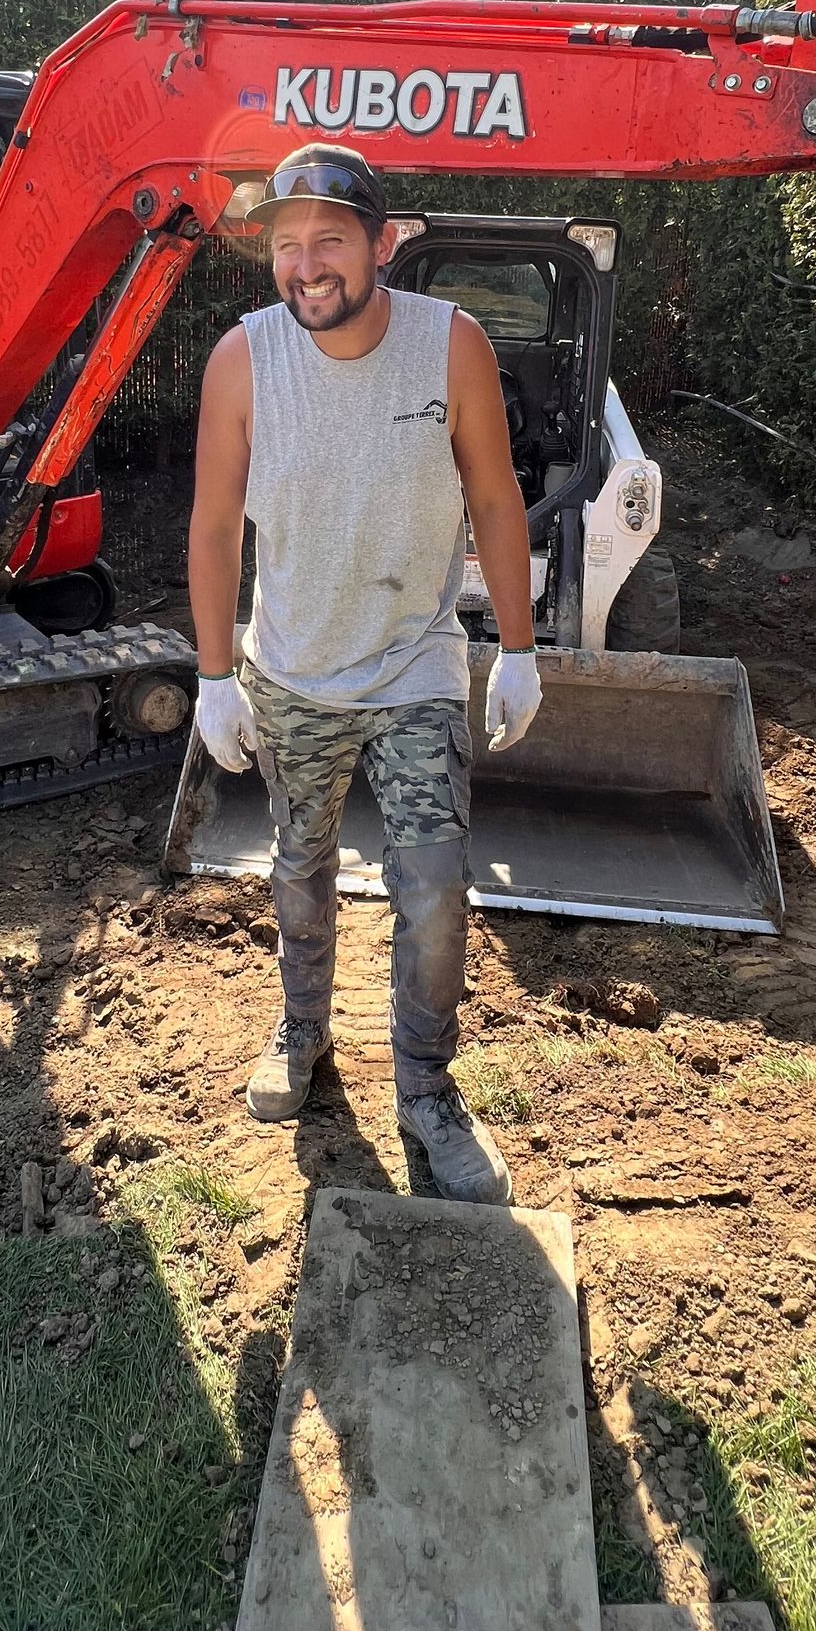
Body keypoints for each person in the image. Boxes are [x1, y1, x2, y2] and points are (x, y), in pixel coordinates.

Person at [187, 143, 543, 1204]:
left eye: (330, 240)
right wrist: (214, 674)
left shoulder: (451, 346)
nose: (306, 265)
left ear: (383, 245)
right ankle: (302, 1032)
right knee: (299, 868)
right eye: (287, 245)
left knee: (434, 887)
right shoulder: (243, 362)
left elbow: (495, 498)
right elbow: (214, 525)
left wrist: (518, 648)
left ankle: (426, 1091)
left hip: (414, 663)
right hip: (293, 672)